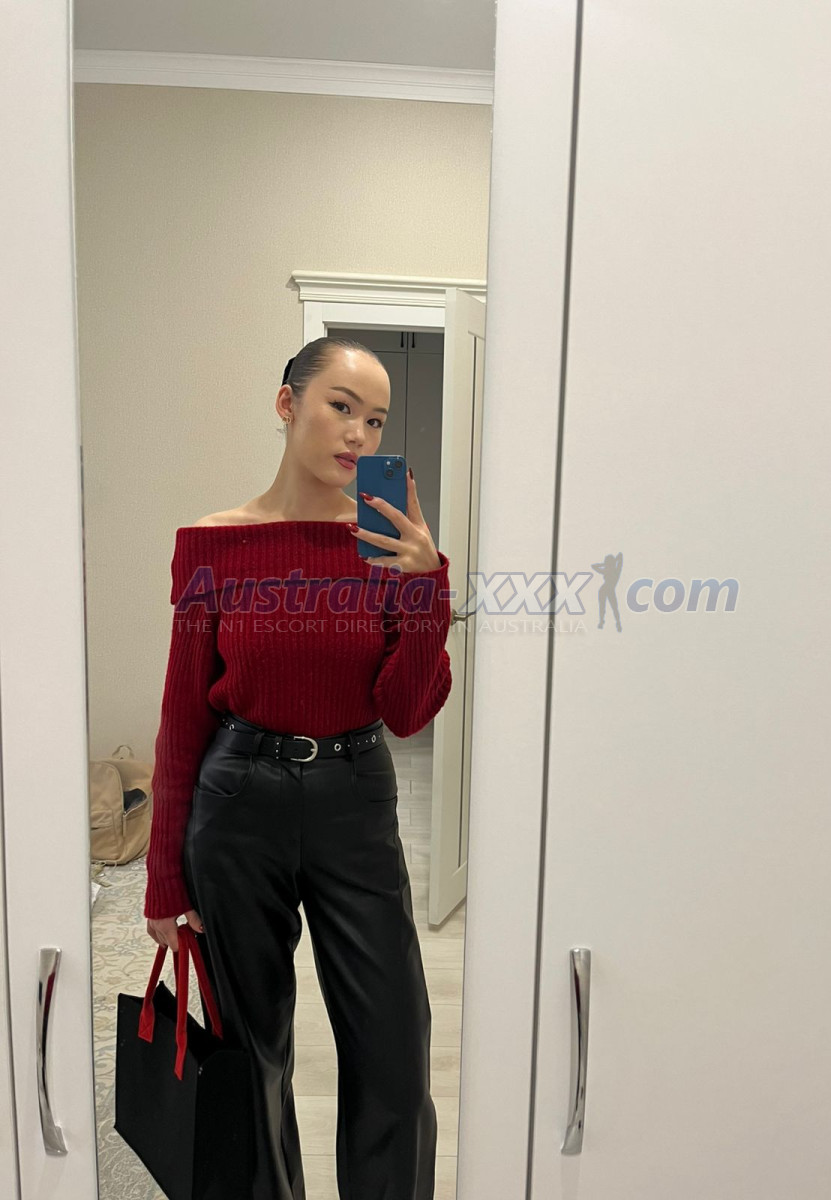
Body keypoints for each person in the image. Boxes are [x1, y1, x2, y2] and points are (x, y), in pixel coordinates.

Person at [142, 336, 452, 1200]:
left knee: (394, 1051)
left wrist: (426, 586)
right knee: (251, 1054)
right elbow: (182, 715)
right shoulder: (212, 545)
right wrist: (164, 876)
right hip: (239, 798)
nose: (359, 434)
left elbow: (407, 710)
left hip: (357, 798)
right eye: (340, 408)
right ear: (288, 405)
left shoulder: (388, 548)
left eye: (376, 420)